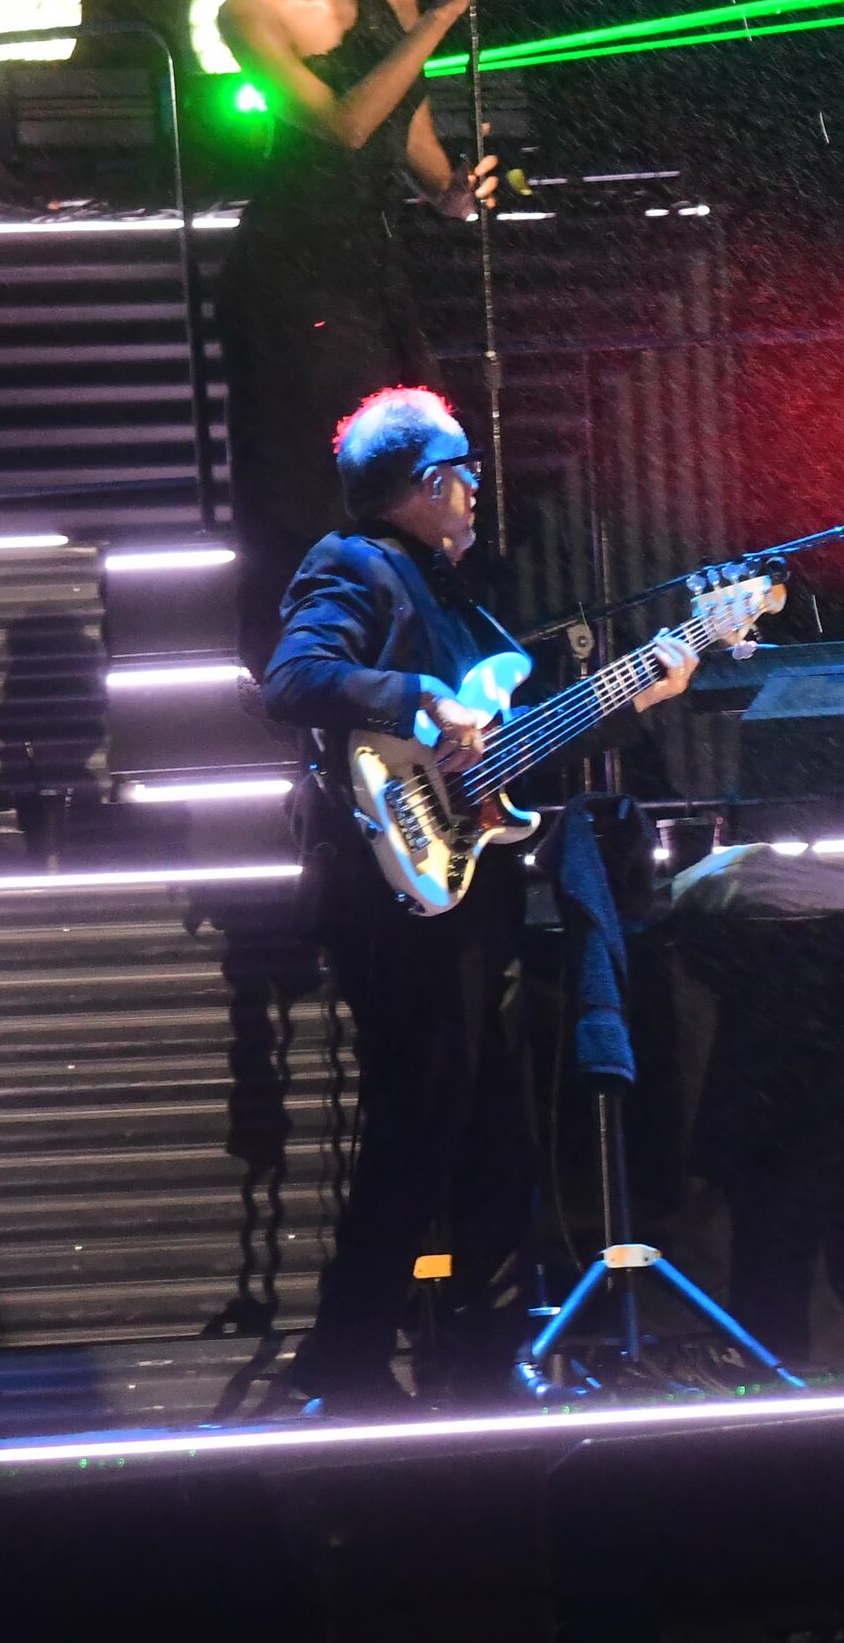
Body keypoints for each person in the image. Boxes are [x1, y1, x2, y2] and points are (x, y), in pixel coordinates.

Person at [258, 386, 686, 1408]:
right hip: (391, 894)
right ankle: (346, 1363)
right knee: (424, 1123)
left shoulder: (460, 605)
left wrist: (634, 699)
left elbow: (510, 755)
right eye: (464, 469)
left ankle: (482, 1363)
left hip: (465, 889)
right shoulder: (355, 564)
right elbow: (294, 680)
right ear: (424, 482)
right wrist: (420, 695)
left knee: (488, 1130)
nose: (478, 487)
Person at [214, 0, 498, 663]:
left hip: (373, 258)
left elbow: (402, 127)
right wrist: (443, 16)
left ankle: (416, 653)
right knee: (326, 478)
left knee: (417, 454)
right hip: (292, 268)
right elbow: (342, 123)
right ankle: (319, 664)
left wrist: (449, 190)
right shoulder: (248, 14)